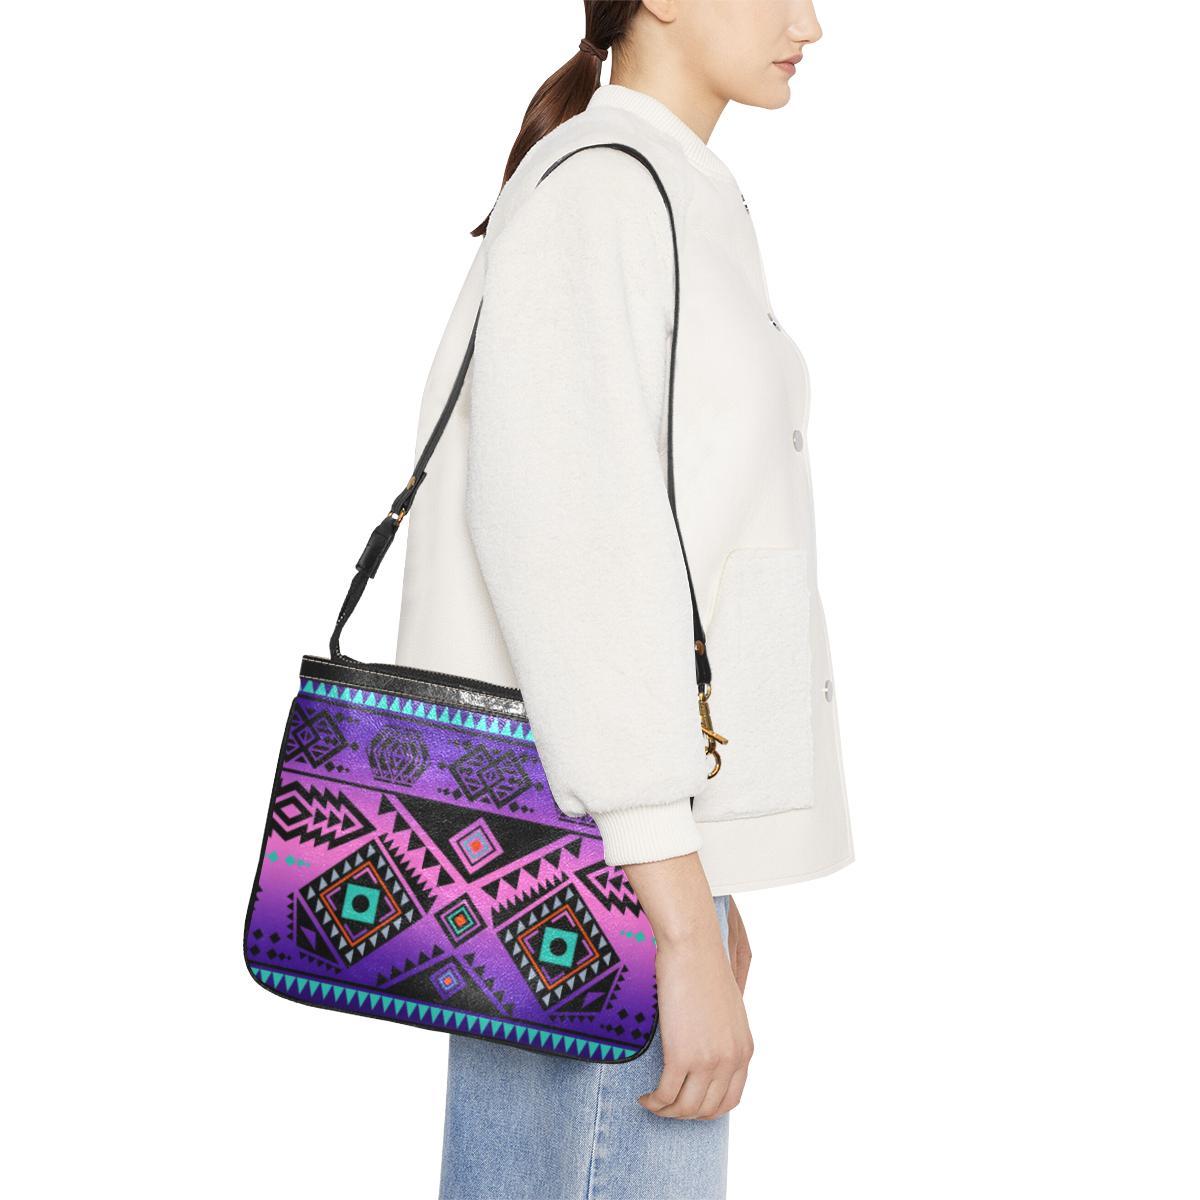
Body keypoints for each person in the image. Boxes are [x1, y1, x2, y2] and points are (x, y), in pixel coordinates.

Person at [393, 3, 853, 1196]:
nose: (810, 22)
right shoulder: (604, 196)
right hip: (594, 852)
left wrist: (705, 877)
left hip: (621, 839)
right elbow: (578, 565)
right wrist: (681, 924)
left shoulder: (660, 188)